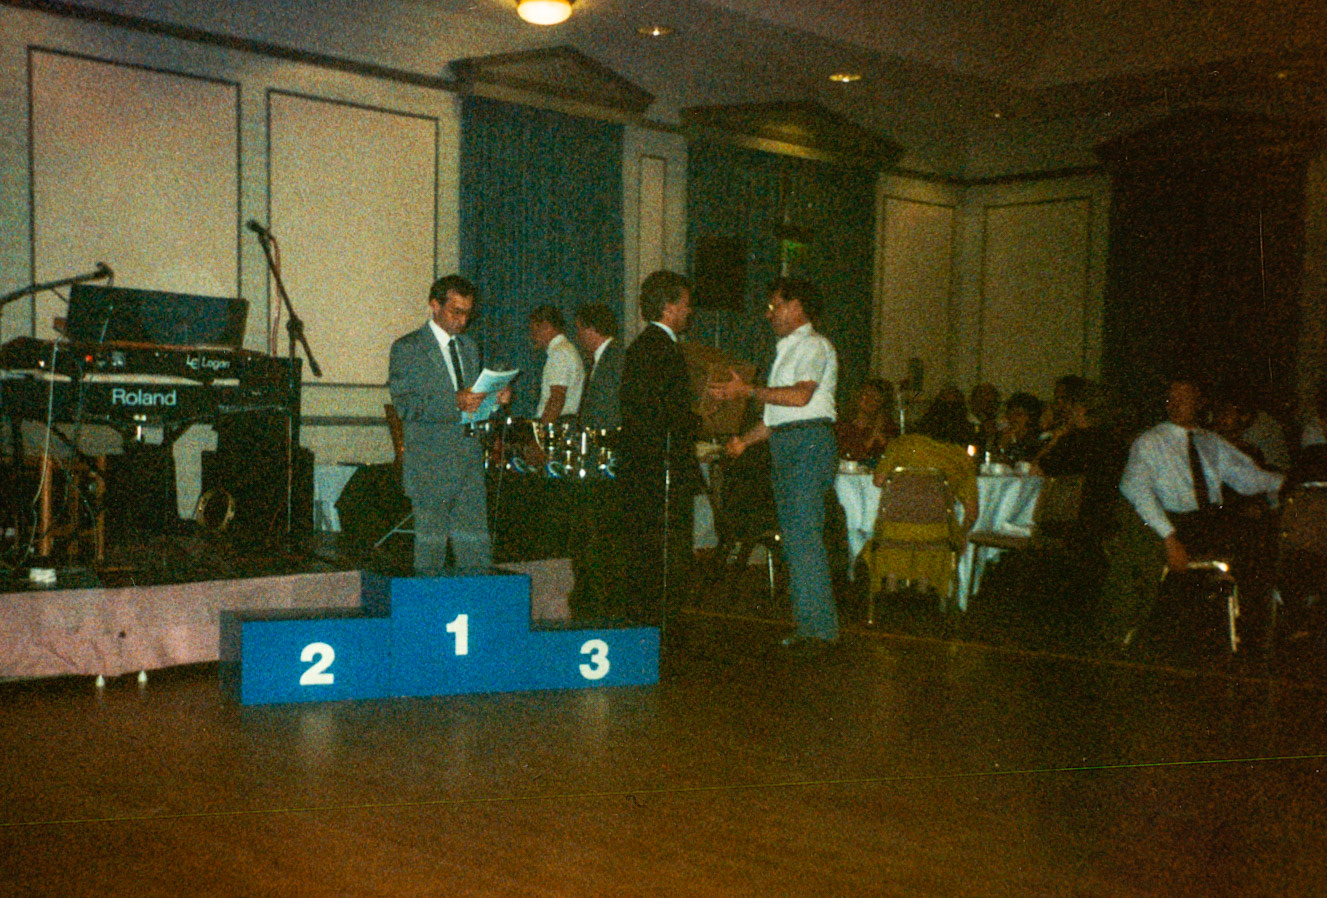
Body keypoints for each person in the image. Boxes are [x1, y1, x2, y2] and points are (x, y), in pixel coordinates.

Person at [709, 277, 840, 650]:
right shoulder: (788, 349)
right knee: (797, 538)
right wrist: (742, 442)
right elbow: (774, 418)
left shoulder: (814, 345)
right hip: (790, 443)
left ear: (797, 306)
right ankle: (810, 627)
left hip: (807, 443)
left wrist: (746, 391)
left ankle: (818, 631)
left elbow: (800, 398)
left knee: (803, 538)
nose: (769, 314)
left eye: (775, 306)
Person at [1105, 375, 1283, 647]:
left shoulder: (1210, 441)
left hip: (1211, 518)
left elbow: (1248, 477)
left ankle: (1257, 627)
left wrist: (1292, 483)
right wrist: (1169, 537)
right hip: (1176, 521)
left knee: (1265, 539)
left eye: (1184, 398)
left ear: (1199, 403)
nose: (1175, 404)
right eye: (1171, 398)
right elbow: (1137, 492)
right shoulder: (1149, 442)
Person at [388, 275, 510, 573]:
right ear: (434, 305)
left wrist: (495, 399)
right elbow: (406, 406)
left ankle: (477, 616)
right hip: (430, 466)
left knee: (476, 555)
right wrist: (454, 402)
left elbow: (473, 402)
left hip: (468, 461)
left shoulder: (469, 347)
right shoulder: (408, 348)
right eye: (456, 311)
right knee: (430, 560)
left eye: (468, 313)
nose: (463, 321)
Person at [618, 271, 705, 629]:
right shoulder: (664, 350)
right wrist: (696, 423)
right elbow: (670, 417)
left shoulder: (641, 347)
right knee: (666, 558)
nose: (689, 311)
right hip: (665, 472)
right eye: (685, 304)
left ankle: (648, 626)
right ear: (669, 307)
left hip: (643, 469)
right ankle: (663, 631)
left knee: (646, 557)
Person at [862, 418, 979, 601]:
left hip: (894, 532)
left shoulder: (903, 443)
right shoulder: (960, 457)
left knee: (899, 528)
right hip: (938, 536)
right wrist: (962, 534)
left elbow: (878, 480)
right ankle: (926, 591)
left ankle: (892, 588)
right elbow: (972, 513)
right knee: (935, 531)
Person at [528, 305, 585, 425]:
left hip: (557, 427)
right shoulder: (567, 349)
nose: (532, 336)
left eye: (534, 330)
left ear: (546, 326)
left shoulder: (559, 353)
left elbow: (557, 400)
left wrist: (541, 434)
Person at [574, 302, 624, 431]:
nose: (577, 336)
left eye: (579, 329)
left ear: (590, 330)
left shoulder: (615, 357)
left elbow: (611, 405)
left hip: (606, 438)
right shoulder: (601, 357)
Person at [834, 378, 898, 462]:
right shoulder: (843, 426)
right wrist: (871, 439)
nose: (869, 400)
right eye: (866, 394)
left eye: (875, 398)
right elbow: (849, 456)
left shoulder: (888, 427)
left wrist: (879, 434)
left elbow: (895, 456)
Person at [998, 391, 1045, 462]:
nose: (1013, 418)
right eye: (1010, 414)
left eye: (1019, 415)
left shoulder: (1038, 439)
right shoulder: (1002, 435)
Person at [968, 382, 1001, 455]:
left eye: (990, 402)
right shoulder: (965, 424)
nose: (986, 406)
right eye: (982, 400)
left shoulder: (1002, 425)